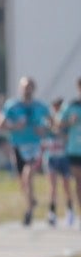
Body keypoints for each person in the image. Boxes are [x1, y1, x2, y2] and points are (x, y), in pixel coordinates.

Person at [0, 77, 50, 225]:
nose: (27, 90)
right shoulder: (12, 105)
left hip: (34, 146)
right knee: (22, 181)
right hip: (18, 146)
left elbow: (53, 123)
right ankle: (31, 202)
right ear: (20, 88)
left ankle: (29, 210)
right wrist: (15, 127)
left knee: (28, 174)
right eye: (24, 87)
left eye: (29, 87)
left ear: (33, 88)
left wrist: (44, 129)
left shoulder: (41, 106)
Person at [42, 97, 75, 228]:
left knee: (66, 186)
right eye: (55, 107)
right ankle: (52, 213)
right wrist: (52, 126)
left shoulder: (65, 123)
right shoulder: (48, 122)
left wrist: (59, 128)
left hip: (64, 157)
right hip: (51, 157)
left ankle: (70, 211)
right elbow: (44, 134)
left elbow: (67, 136)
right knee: (52, 186)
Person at [59, 80, 81, 227]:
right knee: (78, 183)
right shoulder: (71, 106)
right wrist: (69, 122)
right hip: (75, 150)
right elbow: (58, 124)